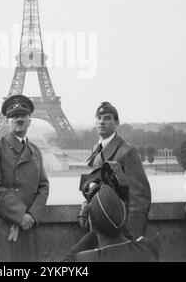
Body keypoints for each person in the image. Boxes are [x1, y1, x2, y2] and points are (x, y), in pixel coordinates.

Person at [64, 101, 151, 260]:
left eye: (107, 118)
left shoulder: (127, 152)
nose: (102, 121)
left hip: (119, 234)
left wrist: (134, 237)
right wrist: (86, 207)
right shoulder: (97, 150)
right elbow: (96, 187)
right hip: (99, 228)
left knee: (72, 257)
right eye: (99, 118)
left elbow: (140, 198)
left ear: (117, 122)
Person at [0, 94, 49, 262]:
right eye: (14, 116)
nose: (19, 119)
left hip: (26, 226)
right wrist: (19, 216)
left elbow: (43, 187)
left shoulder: (35, 151)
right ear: (7, 121)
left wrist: (30, 216)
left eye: (23, 115)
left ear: (30, 120)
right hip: (0, 227)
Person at [76, 184, 158, 262]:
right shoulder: (148, 250)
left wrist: (86, 211)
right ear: (123, 215)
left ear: (91, 223)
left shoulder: (85, 259)